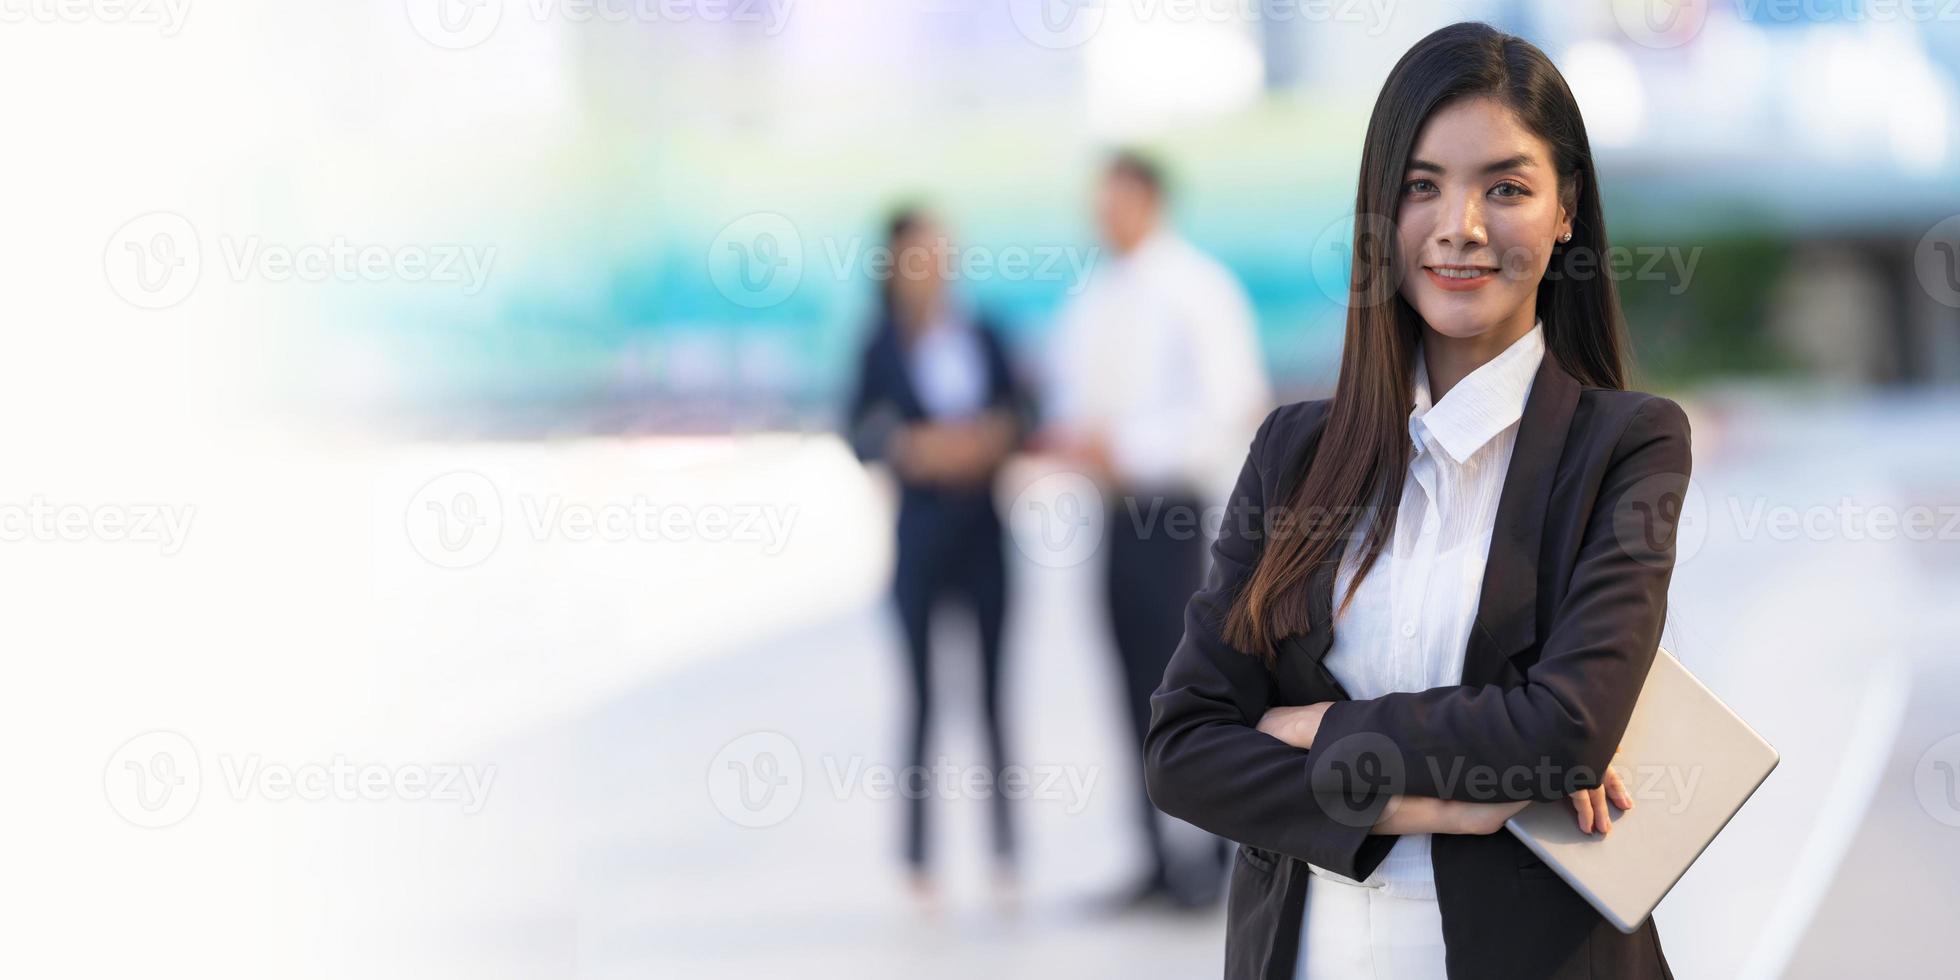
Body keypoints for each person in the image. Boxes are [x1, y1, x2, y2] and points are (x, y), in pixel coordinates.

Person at [1143, 22, 1688, 979]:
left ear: (1567, 212)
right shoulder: (1295, 453)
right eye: (1422, 185)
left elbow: (1562, 732)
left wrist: (1315, 729)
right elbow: (1185, 746)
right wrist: (1439, 800)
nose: (1460, 226)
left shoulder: (1626, 446)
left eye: (1506, 188)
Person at [1046, 151, 1272, 910]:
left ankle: (1207, 856)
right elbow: (1072, 395)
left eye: (1114, 199)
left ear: (1148, 199)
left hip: (1178, 515)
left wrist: (1131, 449)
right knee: (1129, 687)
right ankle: (1150, 853)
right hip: (1113, 515)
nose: (1102, 215)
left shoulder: (1196, 290)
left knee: (1194, 688)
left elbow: (1230, 405)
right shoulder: (1094, 294)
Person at [844, 206, 1033, 916]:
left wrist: (990, 439)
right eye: (917, 254)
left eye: (940, 251)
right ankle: (919, 859)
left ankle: (1005, 851)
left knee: (992, 698)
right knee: (921, 701)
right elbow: (858, 429)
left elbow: (1024, 409)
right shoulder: (879, 346)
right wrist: (910, 448)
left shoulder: (984, 332)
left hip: (985, 536)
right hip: (920, 544)